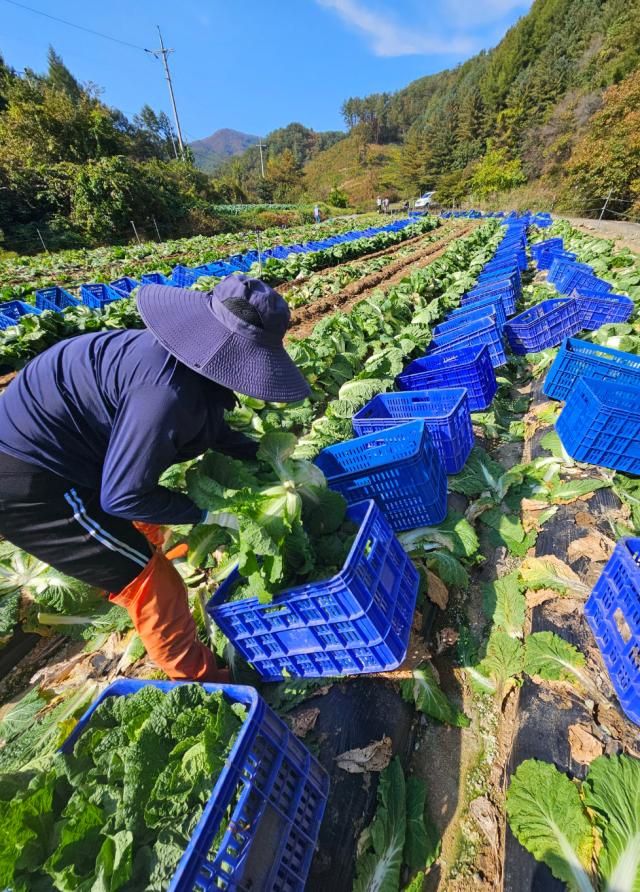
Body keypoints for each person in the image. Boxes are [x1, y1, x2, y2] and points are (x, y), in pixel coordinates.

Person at [0, 275, 310, 681]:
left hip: (68, 450)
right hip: (33, 482)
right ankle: (202, 681)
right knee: (153, 581)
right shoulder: (165, 394)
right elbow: (122, 497)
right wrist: (206, 513)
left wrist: (264, 456)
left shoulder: (179, 364)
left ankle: (147, 579)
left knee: (146, 526)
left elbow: (207, 426)